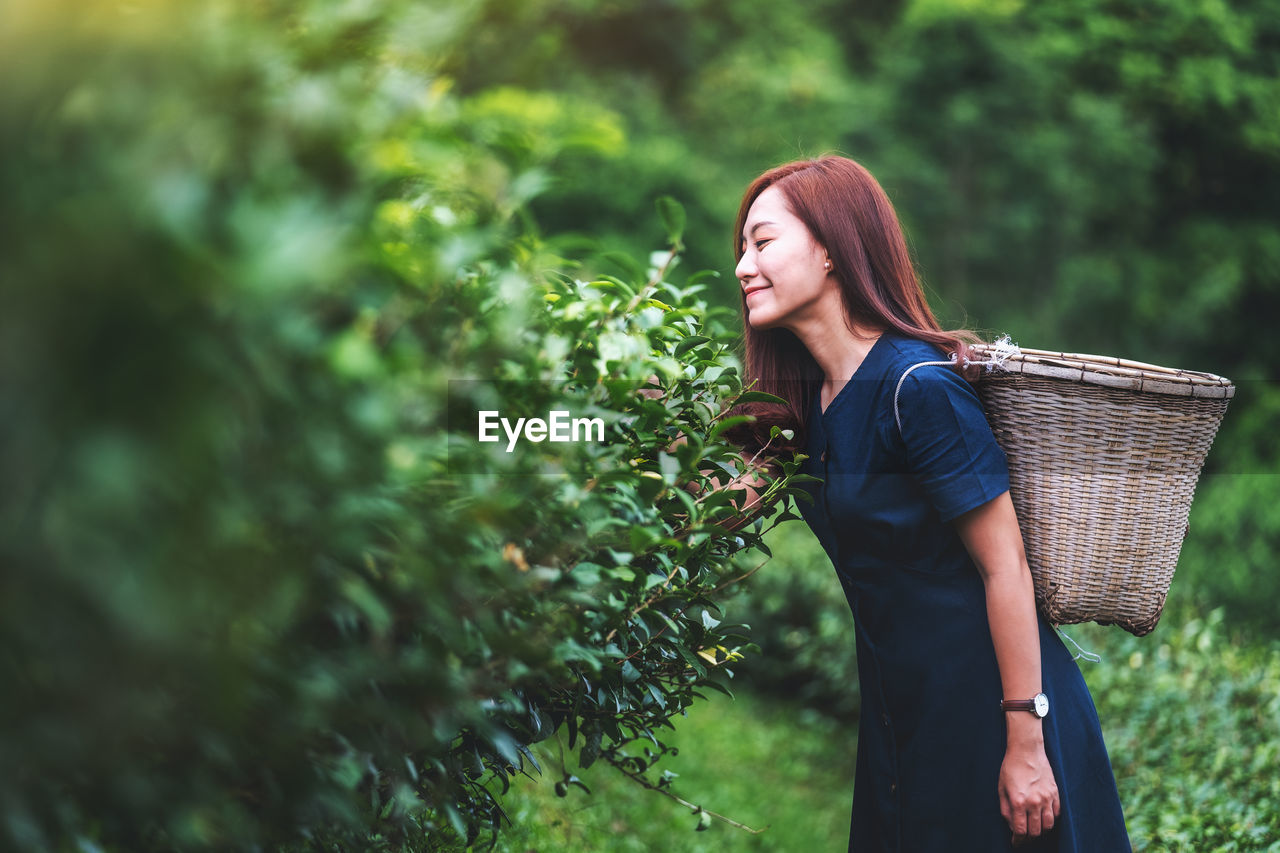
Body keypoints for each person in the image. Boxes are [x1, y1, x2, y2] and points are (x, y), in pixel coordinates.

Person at [722, 156, 1131, 852]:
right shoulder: (805, 403)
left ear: (830, 250)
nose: (742, 266)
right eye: (741, 248)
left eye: (762, 243)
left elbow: (1007, 570)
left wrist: (1026, 741)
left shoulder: (918, 388)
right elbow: (712, 510)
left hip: (995, 710)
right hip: (899, 713)